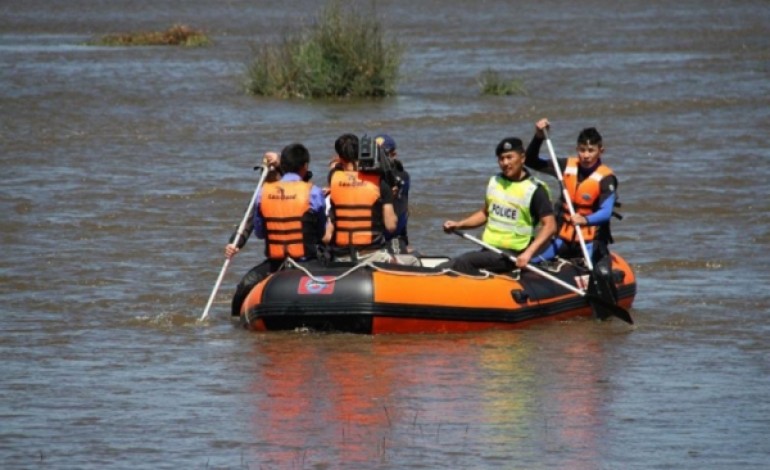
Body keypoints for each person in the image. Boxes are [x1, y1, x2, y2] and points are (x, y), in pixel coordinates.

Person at [228, 143, 327, 316]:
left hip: (276, 263)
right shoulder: (314, 192)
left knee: (244, 287)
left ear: (282, 167)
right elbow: (321, 231)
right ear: (305, 166)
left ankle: (237, 321)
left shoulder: (262, 193)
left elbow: (260, 233)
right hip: (309, 261)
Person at [441, 137, 556, 275]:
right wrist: (459, 225)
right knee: (445, 266)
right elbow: (485, 213)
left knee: (464, 261)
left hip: (512, 254)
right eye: (501, 159)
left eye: (509, 157)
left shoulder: (535, 189)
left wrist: (528, 253)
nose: (505, 163)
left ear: (522, 158)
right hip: (490, 250)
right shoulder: (495, 181)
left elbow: (550, 226)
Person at [524, 118, 620, 267]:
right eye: (582, 150)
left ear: (600, 151)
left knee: (601, 273)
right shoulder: (565, 166)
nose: (586, 155)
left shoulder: (606, 178)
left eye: (591, 150)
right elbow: (530, 161)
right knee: (532, 262)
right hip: (563, 238)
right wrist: (538, 137)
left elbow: (606, 212)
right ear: (577, 149)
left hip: (589, 240)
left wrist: (585, 220)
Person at [324, 134, 419, 265]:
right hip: (371, 256)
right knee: (414, 261)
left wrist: (338, 163)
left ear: (340, 157)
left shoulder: (334, 178)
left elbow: (336, 168)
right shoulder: (379, 182)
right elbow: (391, 226)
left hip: (341, 257)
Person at [374, 134, 411, 254]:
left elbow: (401, 209)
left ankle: (404, 242)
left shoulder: (401, 176)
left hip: (392, 235)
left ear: (394, 155)